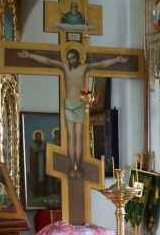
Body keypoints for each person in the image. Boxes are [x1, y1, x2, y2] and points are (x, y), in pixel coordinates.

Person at [17, 48, 126, 176]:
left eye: (72, 58)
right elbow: (47, 61)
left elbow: (100, 64)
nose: (70, 61)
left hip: (79, 105)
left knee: (78, 137)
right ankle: (72, 166)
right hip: (69, 105)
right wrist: (29, 55)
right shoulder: (65, 67)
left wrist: (116, 60)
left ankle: (78, 166)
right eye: (68, 58)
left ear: (78, 58)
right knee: (70, 137)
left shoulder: (84, 68)